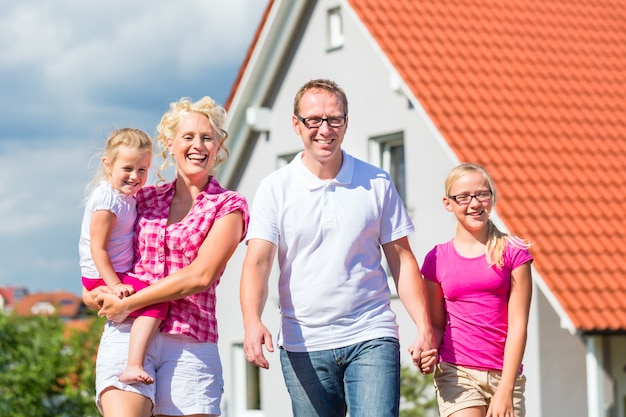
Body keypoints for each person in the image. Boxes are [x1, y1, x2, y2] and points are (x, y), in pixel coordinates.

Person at [240, 78, 437, 417]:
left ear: (346, 122)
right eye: (313, 120)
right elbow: (257, 263)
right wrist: (251, 321)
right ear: (296, 125)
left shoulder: (376, 182)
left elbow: (402, 260)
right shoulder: (275, 188)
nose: (324, 129)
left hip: (371, 334)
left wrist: (424, 327)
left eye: (334, 119)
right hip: (304, 344)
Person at [84, 96, 249, 417]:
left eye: (207, 137)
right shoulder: (141, 199)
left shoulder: (228, 207)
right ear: (170, 145)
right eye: (188, 137)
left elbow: (200, 277)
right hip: (128, 333)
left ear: (218, 147)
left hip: (190, 339)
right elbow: (102, 248)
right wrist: (97, 293)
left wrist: (130, 301)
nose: (197, 145)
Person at [421, 163, 533, 417]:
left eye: (482, 194)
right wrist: (426, 351)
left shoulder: (514, 253)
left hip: (504, 375)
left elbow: (518, 325)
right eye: (463, 197)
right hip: (457, 372)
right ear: (448, 203)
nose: (474, 203)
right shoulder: (436, 259)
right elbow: (437, 325)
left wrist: (505, 390)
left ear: (492, 198)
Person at [79, 127, 168, 385]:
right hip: (104, 277)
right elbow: (98, 248)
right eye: (127, 168)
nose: (134, 176)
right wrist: (115, 285)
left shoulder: (125, 196)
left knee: (153, 299)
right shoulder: (108, 201)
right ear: (108, 165)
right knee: (156, 301)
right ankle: (133, 364)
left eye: (142, 170)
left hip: (114, 274)